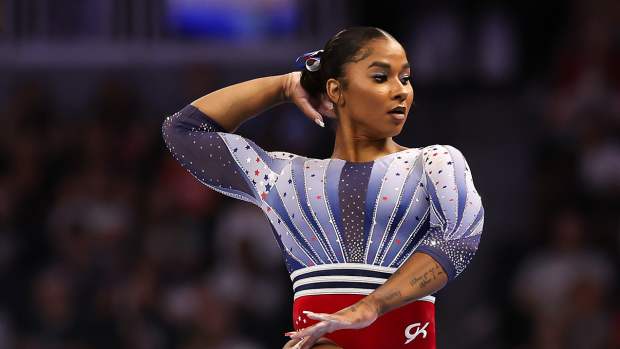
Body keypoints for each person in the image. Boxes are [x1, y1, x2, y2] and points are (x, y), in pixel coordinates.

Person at [162, 26, 484, 349]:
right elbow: (182, 131)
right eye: (380, 77)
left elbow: (459, 240)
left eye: (405, 78)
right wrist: (285, 86)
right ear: (336, 90)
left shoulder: (432, 163)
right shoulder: (287, 178)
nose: (401, 91)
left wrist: (371, 305)